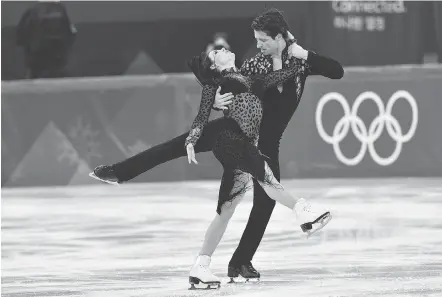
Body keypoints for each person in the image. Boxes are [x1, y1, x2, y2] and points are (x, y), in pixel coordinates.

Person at [90, 8, 344, 282]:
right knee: (179, 148)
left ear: (280, 37)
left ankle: (239, 262)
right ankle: (119, 172)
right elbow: (236, 87)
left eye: (263, 40)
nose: (258, 46)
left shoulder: (300, 62)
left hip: (267, 140)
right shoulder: (256, 64)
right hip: (238, 134)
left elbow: (336, 71)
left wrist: (303, 54)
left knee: (259, 202)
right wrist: (215, 100)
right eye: (256, 40)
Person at [183, 47, 331, 289]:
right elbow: (201, 116)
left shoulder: (250, 78)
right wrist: (191, 140)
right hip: (234, 143)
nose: (222, 48)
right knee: (267, 179)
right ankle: (303, 211)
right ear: (213, 66)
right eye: (215, 52)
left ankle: (200, 267)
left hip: (246, 145)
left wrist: (301, 60)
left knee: (225, 211)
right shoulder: (215, 85)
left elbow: (283, 74)